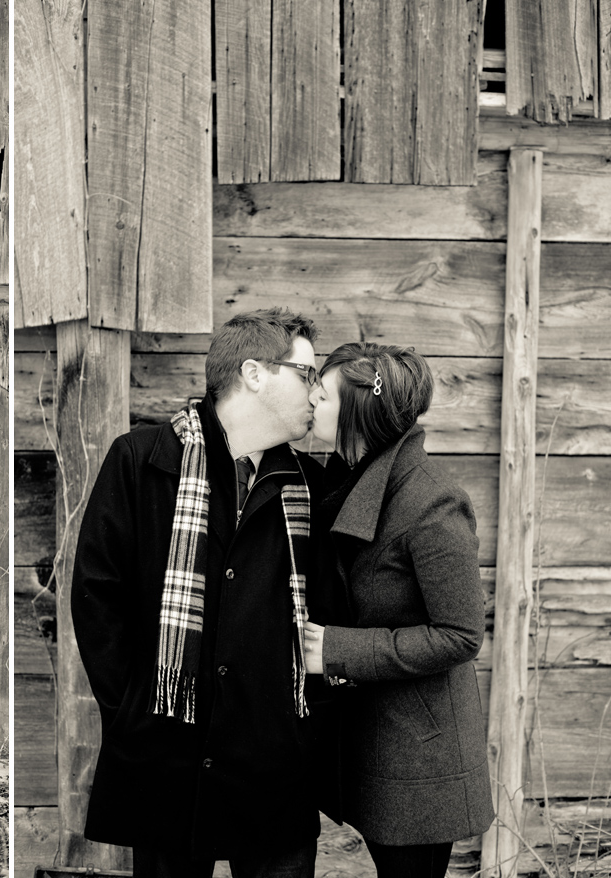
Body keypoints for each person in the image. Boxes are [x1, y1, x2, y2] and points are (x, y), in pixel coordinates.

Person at [71, 308, 340, 877]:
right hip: (166, 753)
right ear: (254, 373)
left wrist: (303, 732)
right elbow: (98, 596)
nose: (317, 394)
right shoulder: (141, 460)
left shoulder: (312, 489)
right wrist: (134, 712)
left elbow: (332, 608)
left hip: (275, 764)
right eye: (307, 375)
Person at [304, 342, 495, 878]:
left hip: (420, 750)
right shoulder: (351, 477)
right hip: (376, 734)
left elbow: (460, 635)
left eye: (324, 393)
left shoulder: (433, 502)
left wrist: (338, 649)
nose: (312, 399)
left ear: (360, 411)